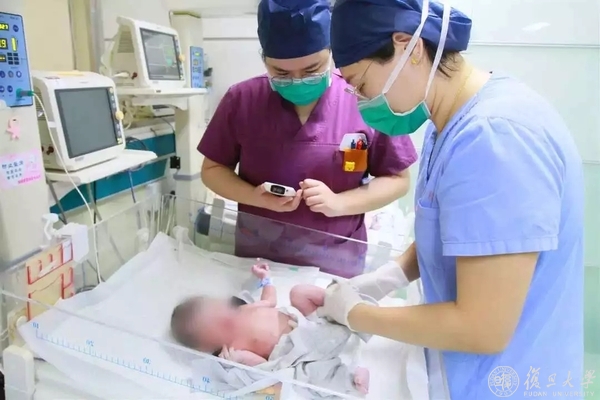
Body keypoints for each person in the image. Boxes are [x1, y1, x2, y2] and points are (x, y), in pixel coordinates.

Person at [313, 0, 585, 399]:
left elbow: (482, 327)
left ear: (407, 46)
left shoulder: (494, 138)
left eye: (360, 83)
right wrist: (389, 277)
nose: (360, 99)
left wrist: (357, 315)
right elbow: (457, 228)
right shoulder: (452, 121)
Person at [197, 0, 418, 278]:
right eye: (281, 73)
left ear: (331, 51)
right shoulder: (241, 100)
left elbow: (398, 179)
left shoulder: (364, 97)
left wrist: (340, 203)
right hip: (260, 260)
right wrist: (254, 197)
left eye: (312, 70)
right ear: (264, 60)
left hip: (335, 262)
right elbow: (213, 170)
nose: (298, 81)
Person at [170, 262, 373, 397]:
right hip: (299, 355)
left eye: (216, 311)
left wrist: (266, 279)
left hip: (309, 324)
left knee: (299, 293)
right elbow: (265, 370)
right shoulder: (233, 351)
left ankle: (346, 307)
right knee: (316, 377)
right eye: (214, 326)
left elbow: (270, 300)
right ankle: (352, 378)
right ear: (207, 345)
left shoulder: (243, 309)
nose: (222, 319)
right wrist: (241, 359)